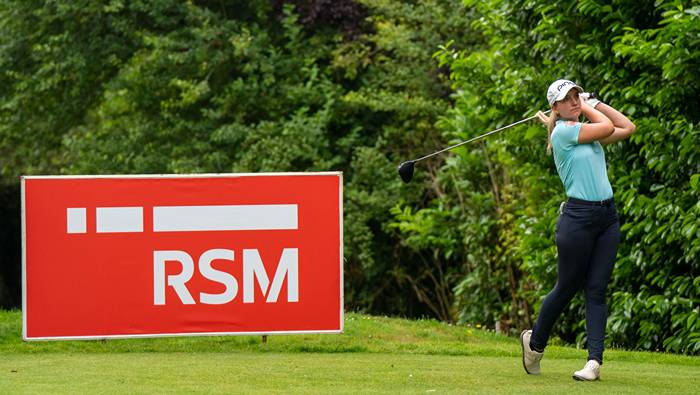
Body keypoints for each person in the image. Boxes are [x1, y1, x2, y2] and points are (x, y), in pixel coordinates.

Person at [520, 79, 636, 381]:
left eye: (575, 96)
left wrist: (593, 103)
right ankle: (534, 344)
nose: (573, 101)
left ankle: (593, 363)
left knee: (597, 290)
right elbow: (608, 127)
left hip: (607, 218)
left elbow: (627, 127)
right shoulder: (563, 133)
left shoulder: (586, 135)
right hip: (578, 220)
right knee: (566, 288)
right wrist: (588, 105)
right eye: (567, 99)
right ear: (555, 107)